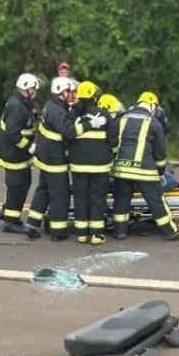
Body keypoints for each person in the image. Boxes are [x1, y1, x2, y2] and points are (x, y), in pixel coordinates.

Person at [110, 92, 179, 240]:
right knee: (156, 199)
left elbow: (113, 143)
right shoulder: (154, 122)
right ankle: (170, 230)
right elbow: (160, 152)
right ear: (152, 106)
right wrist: (161, 171)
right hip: (144, 170)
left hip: (122, 168)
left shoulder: (121, 118)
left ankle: (120, 231)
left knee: (121, 199)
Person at [27, 76, 85, 241]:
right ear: (62, 92)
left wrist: (77, 107)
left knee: (43, 191)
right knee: (60, 194)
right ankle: (58, 232)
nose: (72, 94)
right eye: (70, 91)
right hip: (54, 159)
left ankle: (32, 223)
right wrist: (88, 125)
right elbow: (69, 132)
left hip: (45, 156)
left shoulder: (51, 105)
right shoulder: (57, 111)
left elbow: (64, 120)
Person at [69, 81, 116, 245]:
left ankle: (81, 233)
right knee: (97, 198)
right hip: (99, 166)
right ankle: (97, 234)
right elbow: (113, 140)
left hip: (78, 165)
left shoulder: (73, 114)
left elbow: (67, 135)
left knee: (81, 197)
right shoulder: (104, 114)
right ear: (95, 96)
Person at [0, 73, 41, 237]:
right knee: (18, 187)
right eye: (33, 89)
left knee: (22, 183)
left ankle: (7, 212)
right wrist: (30, 147)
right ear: (27, 89)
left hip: (16, 154)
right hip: (14, 154)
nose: (35, 92)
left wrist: (33, 116)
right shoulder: (17, 106)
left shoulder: (21, 103)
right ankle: (11, 222)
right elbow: (13, 134)